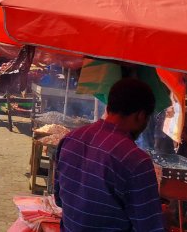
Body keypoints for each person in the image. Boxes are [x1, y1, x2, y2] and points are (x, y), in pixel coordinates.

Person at [54, 78, 163, 231]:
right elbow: (149, 227)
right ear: (140, 115)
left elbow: (59, 199)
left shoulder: (70, 139)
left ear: (110, 106)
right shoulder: (137, 161)